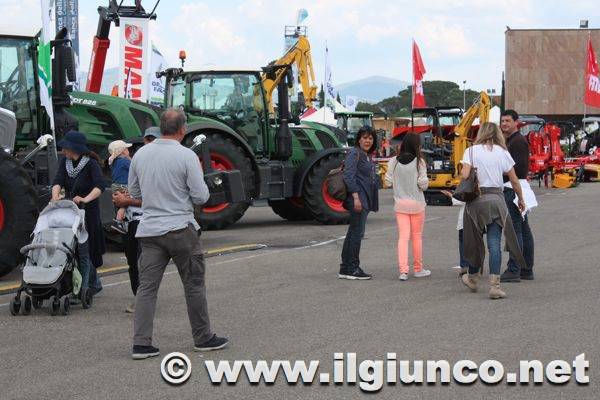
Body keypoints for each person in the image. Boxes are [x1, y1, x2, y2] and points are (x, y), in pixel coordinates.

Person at [128, 109, 228, 360]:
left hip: (149, 230)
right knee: (193, 285)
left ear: (161, 128)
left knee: (147, 288)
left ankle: (141, 343)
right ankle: (203, 337)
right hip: (180, 228)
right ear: (182, 129)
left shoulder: (140, 154)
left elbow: (134, 192)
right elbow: (201, 196)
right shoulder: (186, 156)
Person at [460, 122, 527, 299]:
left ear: (481, 133)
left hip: (476, 201)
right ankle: (495, 287)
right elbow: (513, 179)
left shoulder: (471, 151)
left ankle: (473, 278)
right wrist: (520, 199)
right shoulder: (502, 152)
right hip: (497, 200)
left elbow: (465, 176)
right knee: (494, 243)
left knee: (474, 242)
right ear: (497, 133)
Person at [51, 130, 105, 295]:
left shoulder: (91, 164)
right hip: (72, 212)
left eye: (65, 148)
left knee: (85, 249)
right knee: (73, 247)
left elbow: (99, 186)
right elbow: (58, 181)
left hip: (88, 212)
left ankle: (89, 285)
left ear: (73, 148)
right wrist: (55, 198)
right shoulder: (65, 163)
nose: (63, 150)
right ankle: (91, 283)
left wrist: (85, 199)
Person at [385, 133, 431, 281]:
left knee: (403, 238)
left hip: (400, 205)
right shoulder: (420, 162)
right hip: (417, 204)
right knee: (417, 237)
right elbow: (423, 185)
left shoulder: (393, 161)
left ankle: (403, 271)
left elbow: (387, 182)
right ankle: (418, 269)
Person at [338, 126, 379, 280]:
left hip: (364, 200)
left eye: (370, 138)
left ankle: (345, 267)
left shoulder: (366, 155)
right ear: (359, 139)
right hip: (358, 200)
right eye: (364, 137)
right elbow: (348, 176)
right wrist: (356, 197)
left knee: (352, 233)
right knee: (356, 234)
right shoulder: (354, 153)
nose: (367, 141)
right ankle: (353, 268)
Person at [499, 110, 536, 282]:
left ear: (516, 122)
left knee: (516, 231)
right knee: (523, 229)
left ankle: (515, 269)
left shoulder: (518, 142)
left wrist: (500, 173)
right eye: (502, 121)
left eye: (507, 120)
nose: (504, 124)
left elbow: (519, 170)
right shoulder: (512, 141)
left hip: (513, 189)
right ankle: (526, 269)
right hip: (516, 189)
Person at [108, 140, 133, 234]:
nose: (128, 150)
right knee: (126, 203)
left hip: (115, 186)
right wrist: (129, 157)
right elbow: (135, 167)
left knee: (122, 205)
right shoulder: (124, 161)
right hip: (122, 186)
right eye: (126, 148)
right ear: (122, 151)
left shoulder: (114, 161)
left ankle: (122, 223)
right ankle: (117, 222)